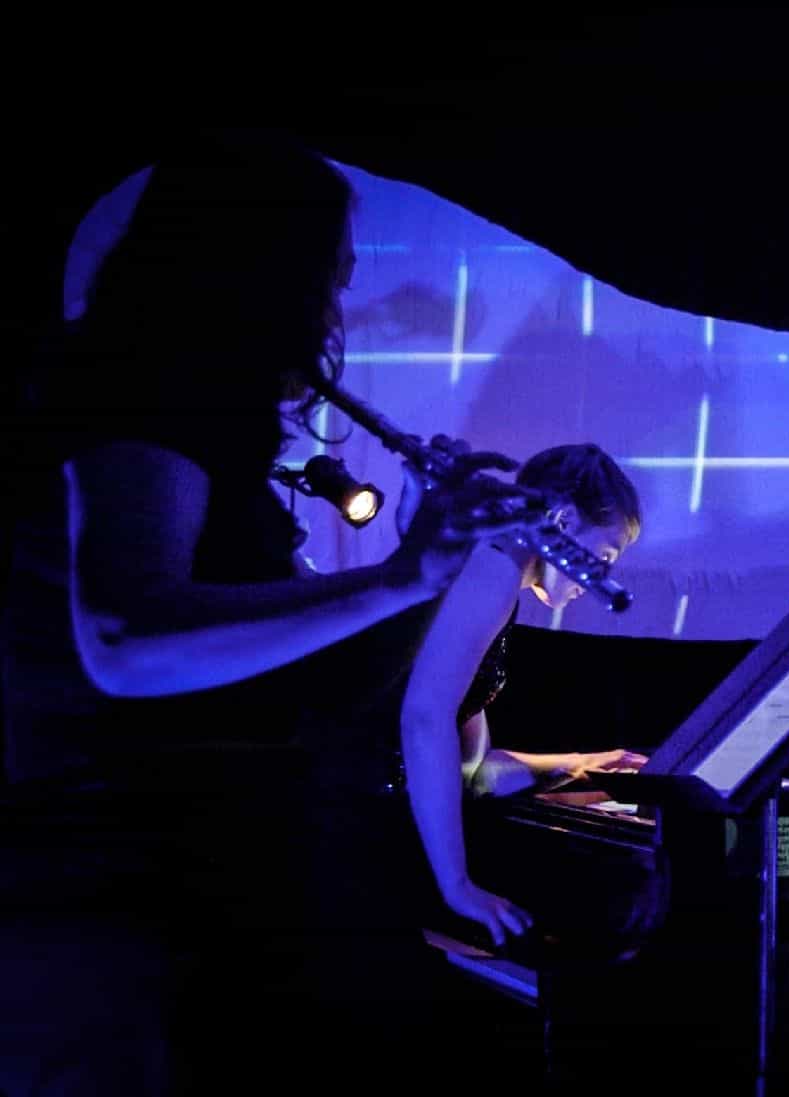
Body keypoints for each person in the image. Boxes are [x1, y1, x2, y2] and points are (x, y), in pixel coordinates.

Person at [0, 133, 537, 1094]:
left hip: (177, 897)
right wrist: (401, 579)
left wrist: (430, 563)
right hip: (111, 913)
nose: (333, 316)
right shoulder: (146, 404)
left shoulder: (180, 414)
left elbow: (301, 688)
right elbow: (126, 640)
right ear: (261, 278)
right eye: (328, 282)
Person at [399, 442, 648, 948]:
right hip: (372, 823)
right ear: (561, 518)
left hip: (393, 817)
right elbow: (424, 717)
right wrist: (457, 886)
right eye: (603, 556)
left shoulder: (496, 572)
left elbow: (475, 773)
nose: (597, 580)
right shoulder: (494, 568)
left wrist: (582, 765)